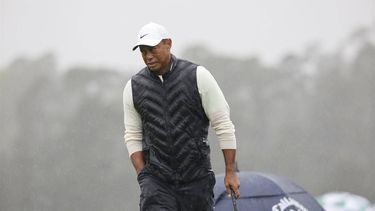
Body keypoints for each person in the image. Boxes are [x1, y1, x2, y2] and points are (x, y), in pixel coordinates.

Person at [123, 22, 240, 211]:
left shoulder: (198, 76)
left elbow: (223, 124)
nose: (148, 56)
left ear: (168, 43)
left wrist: (230, 172)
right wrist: (143, 176)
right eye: (143, 51)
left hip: (197, 179)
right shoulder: (133, 87)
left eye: (152, 49)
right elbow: (132, 135)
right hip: (156, 182)